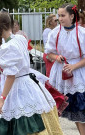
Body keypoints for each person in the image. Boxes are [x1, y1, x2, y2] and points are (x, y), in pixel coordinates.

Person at [0, 13, 63, 135]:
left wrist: (2, 99)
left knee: (21, 121)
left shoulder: (8, 46)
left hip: (18, 86)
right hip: (29, 83)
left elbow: (11, 75)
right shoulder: (20, 38)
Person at [45, 3, 85, 134]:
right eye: (59, 16)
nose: (60, 18)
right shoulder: (55, 32)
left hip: (78, 73)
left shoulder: (82, 33)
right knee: (56, 106)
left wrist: (74, 66)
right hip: (60, 74)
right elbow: (49, 53)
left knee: (80, 109)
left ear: (72, 16)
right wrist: (56, 57)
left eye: (63, 15)